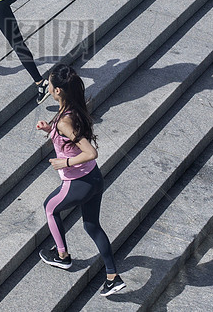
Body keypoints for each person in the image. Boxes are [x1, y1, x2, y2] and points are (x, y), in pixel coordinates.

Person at [36, 64, 125, 297]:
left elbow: (90, 151)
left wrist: (63, 163)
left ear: (58, 91)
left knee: (49, 208)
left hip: (78, 182)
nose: (47, 86)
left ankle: (62, 256)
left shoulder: (65, 119)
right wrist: (49, 130)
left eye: (49, 84)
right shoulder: (72, 110)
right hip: (94, 178)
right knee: (91, 225)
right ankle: (113, 277)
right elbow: (70, 139)